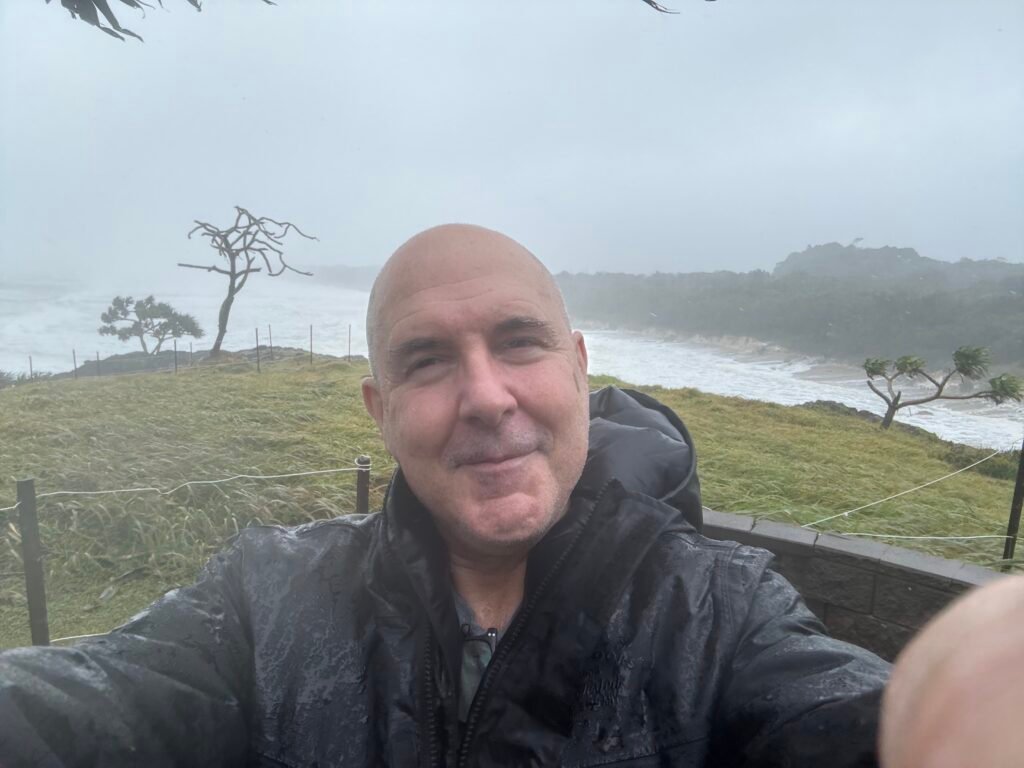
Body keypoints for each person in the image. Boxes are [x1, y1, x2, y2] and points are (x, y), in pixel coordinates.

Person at [0, 222, 1013, 767]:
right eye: (428, 360)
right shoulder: (264, 603)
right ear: (379, 408)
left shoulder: (722, 613)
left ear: (577, 368)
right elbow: (78, 711)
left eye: (518, 342)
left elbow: (846, 721)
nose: (485, 397)